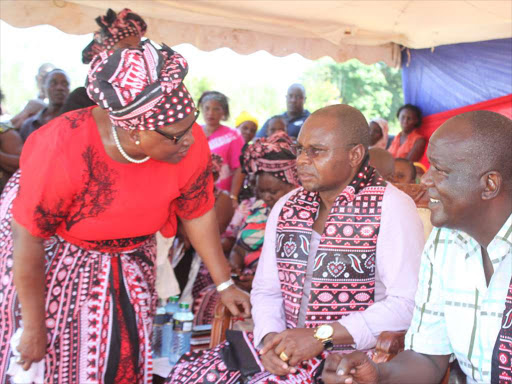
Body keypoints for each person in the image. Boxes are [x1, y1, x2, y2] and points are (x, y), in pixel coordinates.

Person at [0, 41, 250, 384]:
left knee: (122, 361)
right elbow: (27, 240)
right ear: (134, 130)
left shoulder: (182, 137)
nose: (190, 142)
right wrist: (32, 326)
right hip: (55, 260)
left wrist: (224, 284)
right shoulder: (63, 147)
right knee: (53, 361)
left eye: (191, 127)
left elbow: (198, 211)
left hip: (130, 259)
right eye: (176, 138)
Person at [167, 104, 425, 383]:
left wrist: (320, 337)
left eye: (316, 151)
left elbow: (405, 305)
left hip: (347, 361)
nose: (301, 160)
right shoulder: (288, 206)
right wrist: (268, 340)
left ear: (355, 155)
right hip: (282, 350)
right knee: (187, 375)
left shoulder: (391, 207)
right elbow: (266, 290)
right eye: (300, 149)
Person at [321, 110, 512, 384]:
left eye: (440, 171)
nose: (425, 180)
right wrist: (378, 374)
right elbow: (427, 357)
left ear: (489, 184)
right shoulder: (444, 241)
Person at [193, 131, 299, 326]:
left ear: (294, 185)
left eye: (273, 192)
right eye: (261, 190)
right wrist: (235, 264)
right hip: (246, 277)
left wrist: (261, 282)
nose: (266, 197)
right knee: (209, 297)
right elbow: (239, 246)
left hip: (280, 290)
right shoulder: (253, 207)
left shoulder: (301, 216)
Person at [62, 8, 148, 116]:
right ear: (104, 55)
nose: (135, 53)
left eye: (139, 47)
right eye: (127, 48)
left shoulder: (147, 95)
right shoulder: (81, 98)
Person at [200, 91, 245, 193]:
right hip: (192, 192)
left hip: (221, 194)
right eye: (207, 108)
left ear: (223, 112)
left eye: (216, 109)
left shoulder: (233, 135)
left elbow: (240, 167)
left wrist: (233, 195)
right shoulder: (193, 131)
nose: (210, 113)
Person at [19, 69, 70, 142]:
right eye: (53, 83)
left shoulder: (77, 123)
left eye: (65, 84)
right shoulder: (29, 125)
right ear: (43, 89)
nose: (60, 88)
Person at [9, 63, 56, 130]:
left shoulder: (65, 104)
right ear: (37, 78)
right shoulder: (28, 102)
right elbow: (12, 125)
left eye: (50, 77)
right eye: (43, 76)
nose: (45, 80)